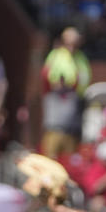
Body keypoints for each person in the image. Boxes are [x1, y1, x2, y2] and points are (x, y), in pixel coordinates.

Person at [40, 27, 91, 158]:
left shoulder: (81, 57)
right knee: (52, 147)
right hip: (57, 106)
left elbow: (85, 78)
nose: (72, 46)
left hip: (75, 108)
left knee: (70, 153)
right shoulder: (57, 55)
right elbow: (47, 75)